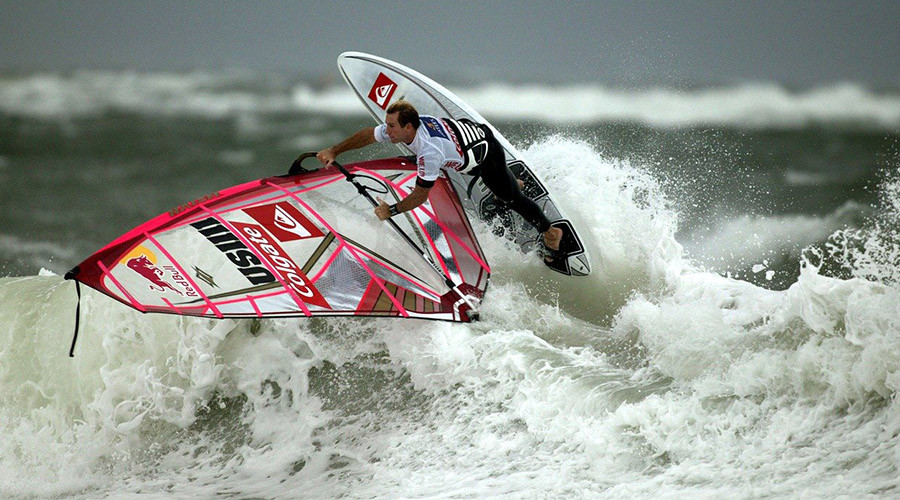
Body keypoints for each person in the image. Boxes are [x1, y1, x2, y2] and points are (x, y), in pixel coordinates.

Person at [316, 100, 563, 255]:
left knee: (510, 197)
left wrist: (390, 210)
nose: (386, 131)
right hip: (462, 137)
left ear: (408, 127)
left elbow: (420, 196)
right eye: (387, 125)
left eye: (391, 126)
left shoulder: (429, 153)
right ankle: (507, 181)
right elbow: (369, 134)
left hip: (484, 153)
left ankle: (551, 232)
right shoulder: (412, 126)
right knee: (459, 167)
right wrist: (334, 151)